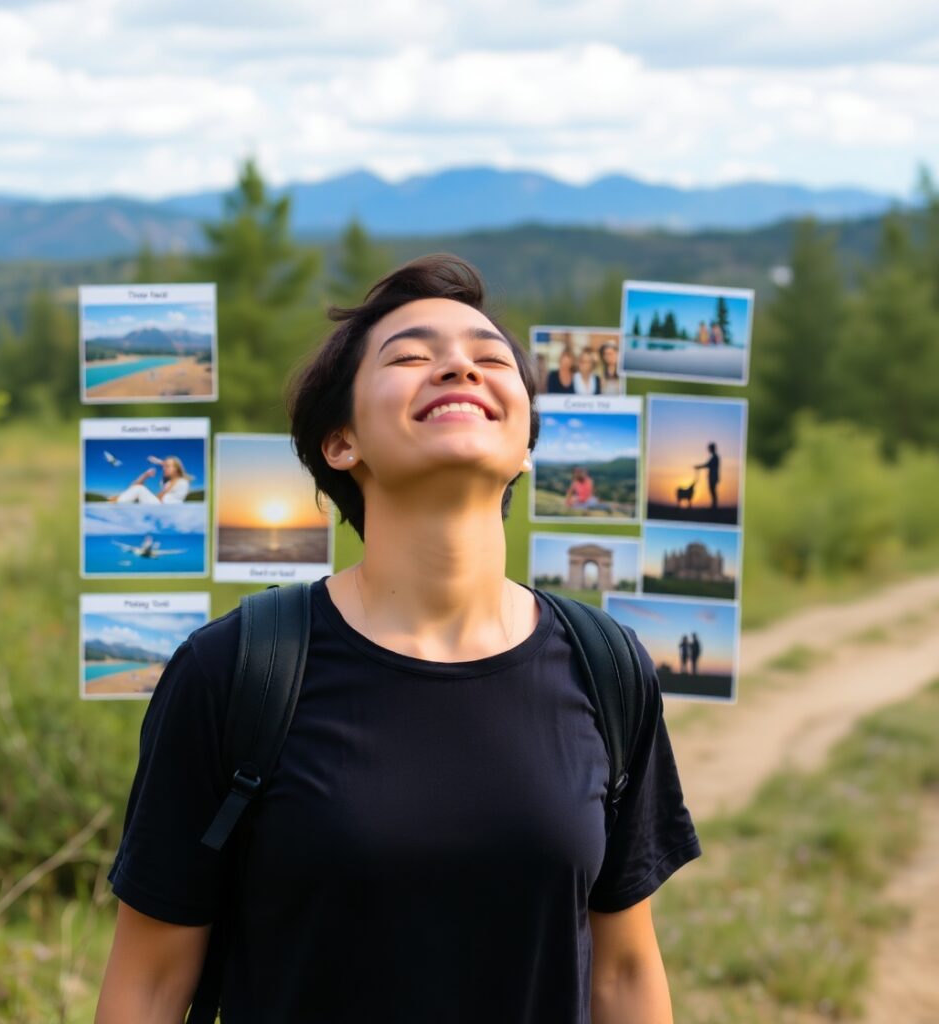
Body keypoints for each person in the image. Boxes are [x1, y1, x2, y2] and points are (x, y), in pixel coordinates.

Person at [95, 255, 700, 1024]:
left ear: (524, 447)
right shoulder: (235, 670)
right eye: (412, 356)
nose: (459, 367)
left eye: (489, 359)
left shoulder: (605, 668)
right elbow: (148, 985)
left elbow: (622, 972)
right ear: (341, 442)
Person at [109, 455, 193, 504]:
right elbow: (135, 485)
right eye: (164, 466)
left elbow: (162, 499)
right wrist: (145, 475)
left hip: (166, 511)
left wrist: (161, 462)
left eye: (166, 466)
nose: (164, 468)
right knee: (138, 486)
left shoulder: (182, 482)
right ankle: (118, 500)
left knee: (139, 489)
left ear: (176, 469)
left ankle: (117, 502)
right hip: (161, 506)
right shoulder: (169, 482)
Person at [693, 442, 720, 510]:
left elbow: (707, 465)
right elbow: (708, 465)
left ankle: (714, 507)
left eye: (709, 448)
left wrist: (698, 467)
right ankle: (714, 506)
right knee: (712, 491)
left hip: (713, 477)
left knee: (713, 491)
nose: (708, 450)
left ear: (712, 449)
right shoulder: (714, 457)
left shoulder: (715, 457)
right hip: (713, 477)